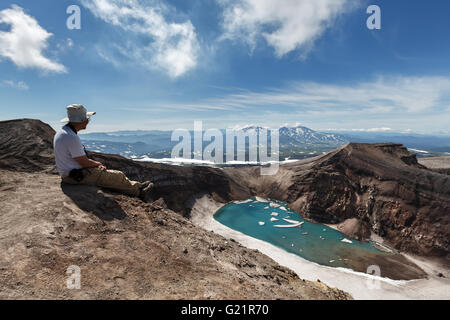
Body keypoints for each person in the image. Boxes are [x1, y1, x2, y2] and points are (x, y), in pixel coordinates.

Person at [54, 104, 153, 201]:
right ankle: (139, 192)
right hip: (75, 176)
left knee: (113, 176)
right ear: (82, 121)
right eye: (87, 118)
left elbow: (78, 158)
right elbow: (83, 162)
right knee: (118, 176)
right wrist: (97, 164)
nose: (88, 121)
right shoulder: (71, 137)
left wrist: (92, 164)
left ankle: (138, 186)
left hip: (69, 173)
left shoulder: (63, 132)